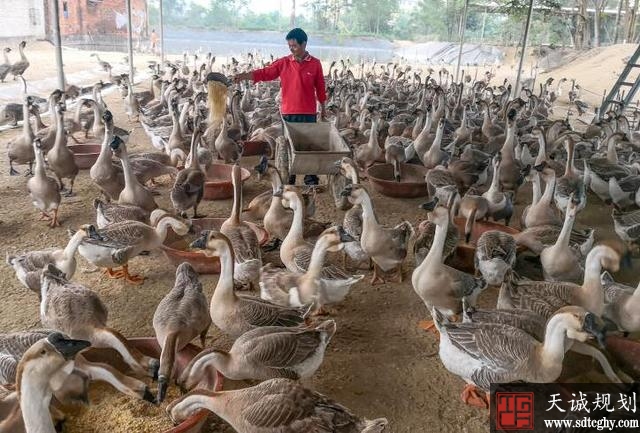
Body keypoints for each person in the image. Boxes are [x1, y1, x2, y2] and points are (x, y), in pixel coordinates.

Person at [233, 28, 326, 187]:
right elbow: (266, 73)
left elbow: (321, 88)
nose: (291, 48)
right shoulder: (284, 62)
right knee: (288, 147)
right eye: (289, 46)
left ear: (304, 44)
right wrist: (245, 76)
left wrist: (323, 108)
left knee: (308, 146)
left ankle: (311, 180)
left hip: (309, 113)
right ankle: (289, 177)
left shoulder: (315, 64)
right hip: (288, 113)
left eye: (294, 45)